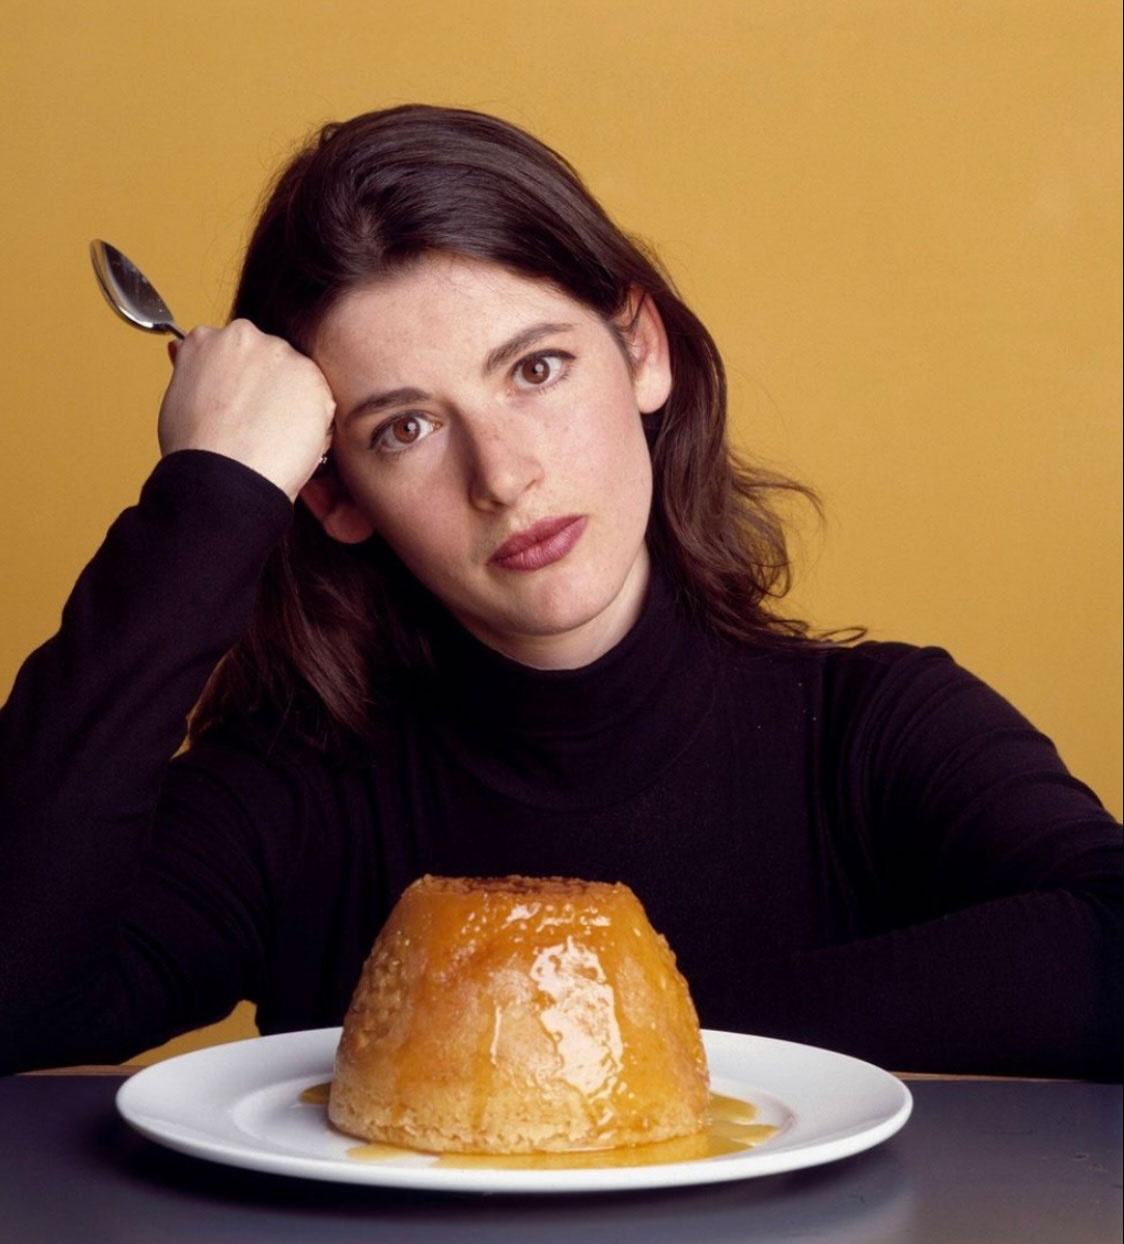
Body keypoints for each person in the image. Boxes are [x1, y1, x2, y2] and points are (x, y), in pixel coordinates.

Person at [0, 105, 1119, 1078]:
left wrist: (606, 1035)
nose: (504, 476)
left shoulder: (873, 730)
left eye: (534, 369)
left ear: (640, 349)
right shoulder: (295, 794)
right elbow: (19, 996)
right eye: (406, 427)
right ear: (334, 491)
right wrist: (212, 495)